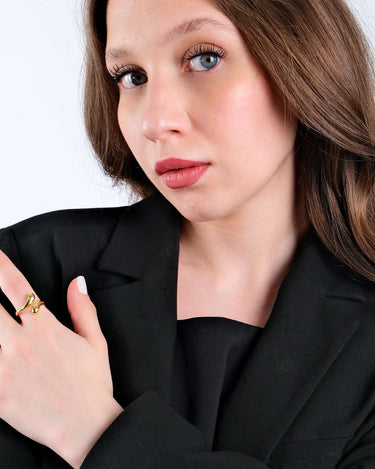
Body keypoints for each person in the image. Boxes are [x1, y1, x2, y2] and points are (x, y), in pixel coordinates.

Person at [0, 0, 375, 467]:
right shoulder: (26, 275)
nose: (155, 122)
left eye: (205, 58)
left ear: (305, 61)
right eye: (132, 76)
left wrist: (94, 432)